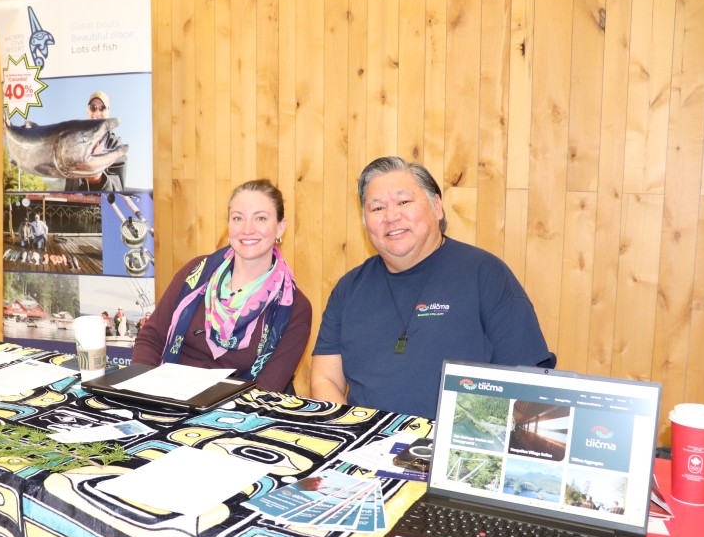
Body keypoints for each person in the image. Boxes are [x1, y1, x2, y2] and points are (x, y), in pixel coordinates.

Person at [311, 156, 555, 417]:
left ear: (437, 207)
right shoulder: (349, 288)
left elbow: (527, 386)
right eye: (377, 208)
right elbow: (326, 379)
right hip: (364, 436)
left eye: (404, 202)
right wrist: (353, 428)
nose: (391, 216)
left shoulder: (486, 275)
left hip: (457, 438)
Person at [133, 179, 312, 393]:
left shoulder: (295, 308)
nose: (247, 229)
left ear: (280, 228)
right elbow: (151, 338)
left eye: (260, 218)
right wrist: (143, 391)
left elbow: (266, 389)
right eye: (238, 218)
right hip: (166, 398)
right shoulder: (195, 273)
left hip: (238, 409)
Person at [62, 91, 127, 191]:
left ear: (108, 112)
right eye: (93, 108)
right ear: (87, 111)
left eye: (102, 108)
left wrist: (97, 178)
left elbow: (117, 190)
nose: (97, 113)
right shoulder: (74, 141)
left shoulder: (116, 145)